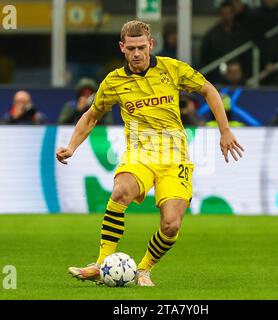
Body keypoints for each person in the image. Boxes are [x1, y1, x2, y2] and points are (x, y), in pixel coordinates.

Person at [57, 20, 244, 287]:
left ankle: (143, 269)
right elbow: (91, 116)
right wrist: (72, 147)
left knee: (171, 225)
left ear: (151, 45)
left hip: (175, 158)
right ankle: (101, 263)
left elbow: (209, 90)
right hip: (140, 154)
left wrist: (224, 131)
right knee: (121, 191)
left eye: (141, 47)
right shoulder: (114, 81)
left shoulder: (172, 69)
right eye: (130, 48)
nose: (136, 53)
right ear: (122, 47)